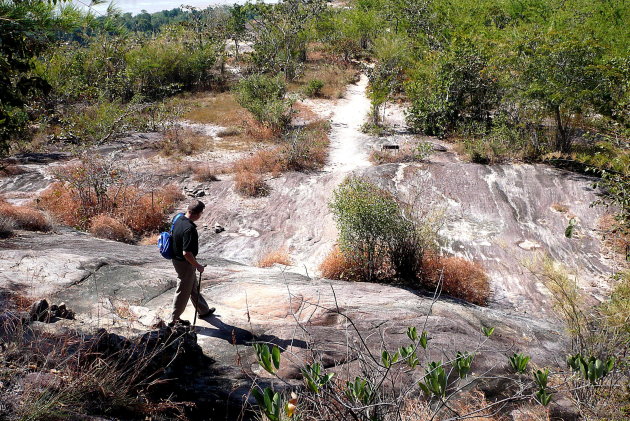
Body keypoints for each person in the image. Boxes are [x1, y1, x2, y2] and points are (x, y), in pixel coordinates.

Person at [169, 199, 215, 326]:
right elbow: (187, 253)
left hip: (177, 260)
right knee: (183, 290)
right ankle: (174, 320)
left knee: (192, 286)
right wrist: (198, 266)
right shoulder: (189, 229)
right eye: (201, 213)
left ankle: (203, 310)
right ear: (197, 214)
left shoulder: (178, 219)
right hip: (184, 263)